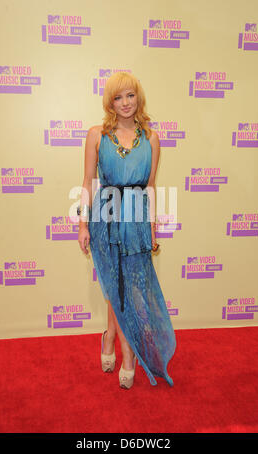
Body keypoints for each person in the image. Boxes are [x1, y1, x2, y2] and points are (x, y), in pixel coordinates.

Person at [78, 72, 176, 389]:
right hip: (105, 215)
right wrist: (82, 223)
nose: (125, 103)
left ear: (138, 98)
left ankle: (111, 337)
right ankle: (127, 354)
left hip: (135, 218)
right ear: (110, 102)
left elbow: (149, 187)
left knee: (127, 288)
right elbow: (88, 183)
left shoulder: (151, 138)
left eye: (130, 95)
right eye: (118, 97)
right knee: (114, 284)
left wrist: (152, 228)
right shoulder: (96, 135)